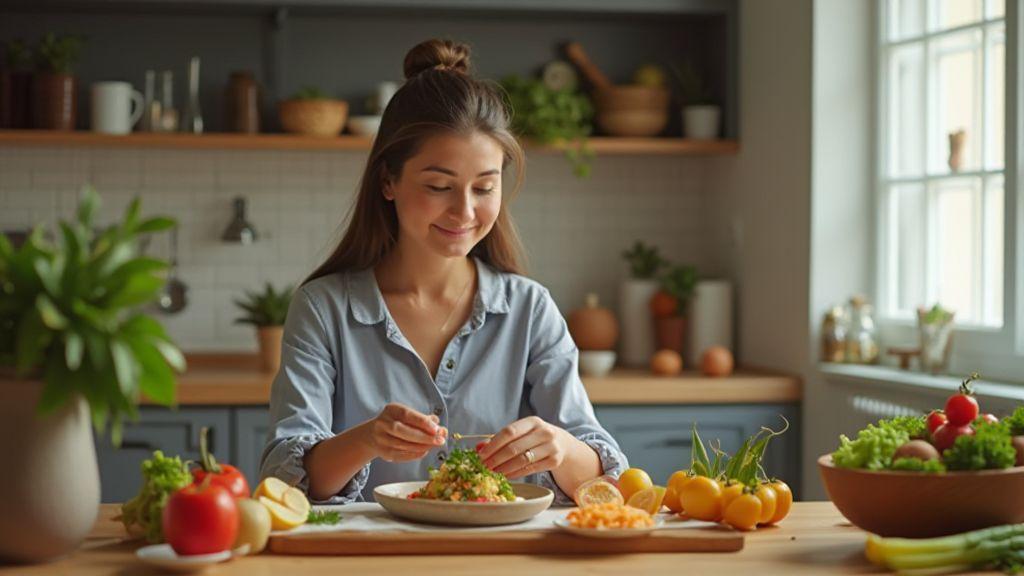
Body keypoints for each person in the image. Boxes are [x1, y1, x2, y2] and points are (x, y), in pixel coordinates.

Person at [260, 38, 627, 504]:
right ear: (388, 181)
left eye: (484, 187)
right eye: (439, 186)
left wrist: (562, 448)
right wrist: (367, 439)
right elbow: (284, 480)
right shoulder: (323, 309)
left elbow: (608, 483)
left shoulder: (530, 309)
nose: (464, 211)